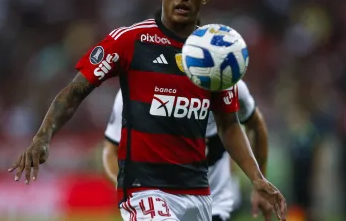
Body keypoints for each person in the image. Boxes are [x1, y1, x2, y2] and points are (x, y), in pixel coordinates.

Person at [8, 0, 287, 221]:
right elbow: (75, 91)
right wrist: (43, 137)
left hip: (198, 192)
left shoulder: (218, 56)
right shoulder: (130, 41)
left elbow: (228, 125)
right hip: (144, 189)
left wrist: (256, 178)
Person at [103, 80, 275, 221]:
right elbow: (111, 150)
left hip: (213, 206)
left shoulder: (228, 86)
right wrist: (128, 187)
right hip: (159, 204)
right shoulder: (136, 89)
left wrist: (260, 182)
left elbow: (255, 124)